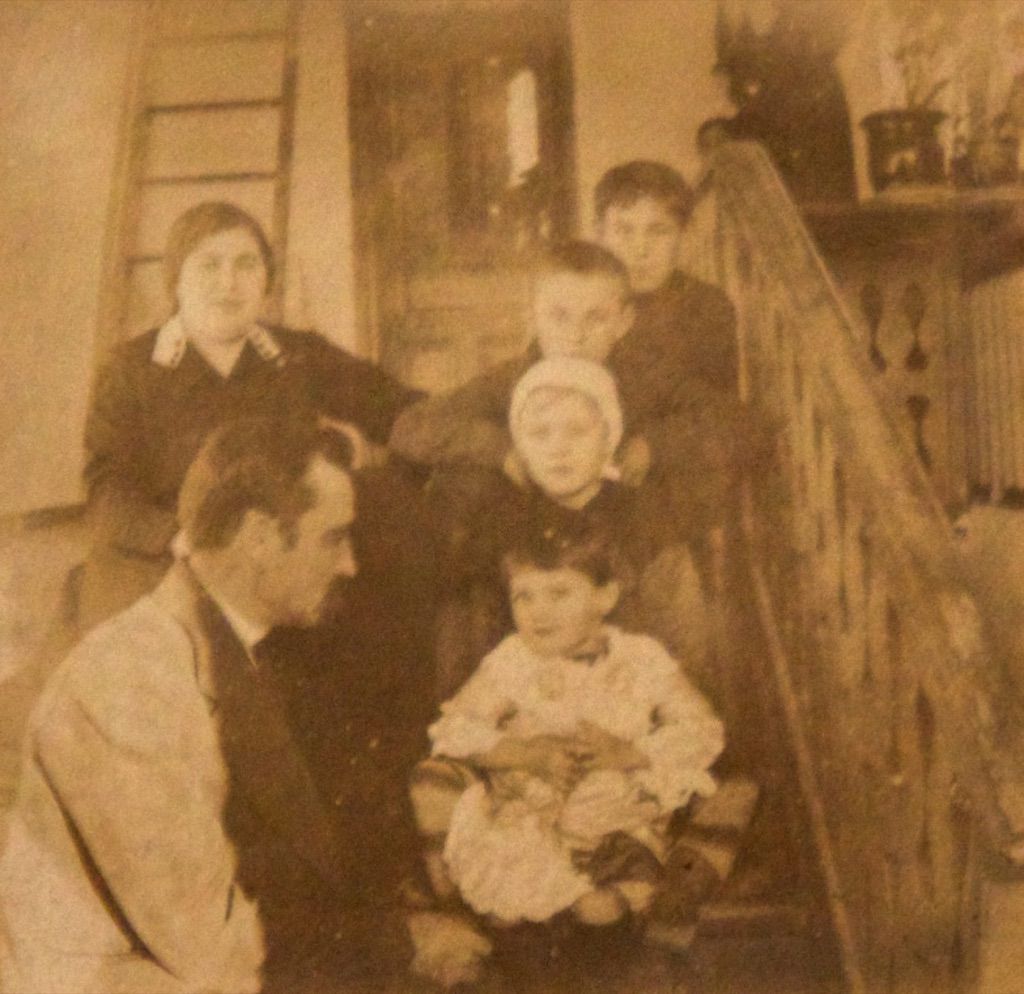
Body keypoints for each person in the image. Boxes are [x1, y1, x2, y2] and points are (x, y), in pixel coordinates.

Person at [0, 418, 408, 994]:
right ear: (260, 537)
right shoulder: (127, 682)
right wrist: (394, 944)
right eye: (333, 538)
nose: (350, 565)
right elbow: (211, 950)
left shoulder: (247, 646)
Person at [406, 521, 726, 990]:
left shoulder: (641, 659)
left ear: (605, 597)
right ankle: (523, 943)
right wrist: (526, 753)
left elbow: (703, 729)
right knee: (505, 876)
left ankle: (612, 930)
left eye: (559, 593)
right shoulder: (514, 661)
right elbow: (455, 727)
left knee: (605, 906)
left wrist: (630, 753)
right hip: (533, 823)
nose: (539, 612)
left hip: (619, 826)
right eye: (524, 596)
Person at [78, 200, 421, 635]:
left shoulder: (297, 354)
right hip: (172, 560)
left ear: (266, 281)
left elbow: (403, 409)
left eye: (246, 265)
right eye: (209, 265)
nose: (229, 283)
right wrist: (183, 538)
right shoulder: (130, 370)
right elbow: (106, 493)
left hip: (279, 567)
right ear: (176, 280)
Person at [388, 238, 742, 532]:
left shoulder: (643, 376)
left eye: (595, 318)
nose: (575, 335)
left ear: (623, 322)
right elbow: (411, 425)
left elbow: (737, 419)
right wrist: (502, 451)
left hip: (616, 535)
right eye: (559, 316)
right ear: (534, 316)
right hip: (525, 536)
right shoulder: (513, 379)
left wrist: (654, 445)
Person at [430, 357, 710, 701]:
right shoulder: (497, 525)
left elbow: (685, 637)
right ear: (520, 447)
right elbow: (465, 645)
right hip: (524, 705)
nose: (558, 448)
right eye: (539, 433)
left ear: (608, 439)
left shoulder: (644, 518)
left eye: (577, 432)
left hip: (630, 701)